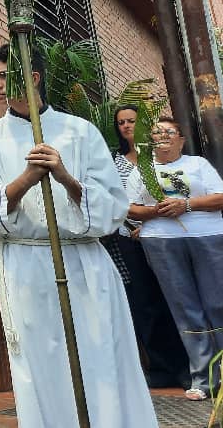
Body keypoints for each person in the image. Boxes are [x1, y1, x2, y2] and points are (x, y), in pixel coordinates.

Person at [0, 44, 156, 428]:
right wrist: (24, 180)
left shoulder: (79, 130)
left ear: (33, 78)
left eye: (5, 75)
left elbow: (113, 205)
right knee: (41, 364)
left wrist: (66, 178)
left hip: (82, 261)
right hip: (27, 265)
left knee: (100, 357)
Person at [126, 116, 223, 401]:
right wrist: (157, 211)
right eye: (157, 132)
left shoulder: (198, 165)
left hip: (208, 237)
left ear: (181, 139)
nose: (163, 135)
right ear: (150, 140)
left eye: (170, 131)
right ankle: (204, 378)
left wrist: (187, 204)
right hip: (162, 241)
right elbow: (130, 208)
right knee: (185, 308)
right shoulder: (140, 171)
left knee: (217, 302)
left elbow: (220, 197)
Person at [100, 107, 188, 388]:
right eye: (121, 122)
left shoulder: (160, 157)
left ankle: (189, 366)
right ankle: (162, 368)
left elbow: (179, 191)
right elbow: (113, 200)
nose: (126, 126)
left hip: (168, 236)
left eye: (132, 121)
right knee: (144, 302)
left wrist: (149, 223)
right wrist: (135, 224)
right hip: (129, 239)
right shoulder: (114, 163)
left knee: (174, 298)